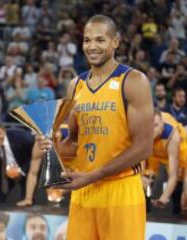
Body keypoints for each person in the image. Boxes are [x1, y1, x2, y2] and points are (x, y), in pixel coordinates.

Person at [37, 15, 154, 240]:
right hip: (83, 191)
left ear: (115, 42)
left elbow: (143, 147)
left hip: (120, 189)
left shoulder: (133, 81)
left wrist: (94, 175)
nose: (92, 47)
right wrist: (53, 147)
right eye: (87, 40)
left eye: (100, 40)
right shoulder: (76, 85)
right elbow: (73, 141)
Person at [144, 110, 187, 214]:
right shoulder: (142, 129)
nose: (152, 130)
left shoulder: (172, 136)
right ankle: (144, 212)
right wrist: (141, 177)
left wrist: (164, 198)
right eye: (149, 126)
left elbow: (173, 176)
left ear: (162, 124)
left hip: (180, 150)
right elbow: (139, 165)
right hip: (155, 150)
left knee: (185, 194)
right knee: (144, 179)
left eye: (155, 126)